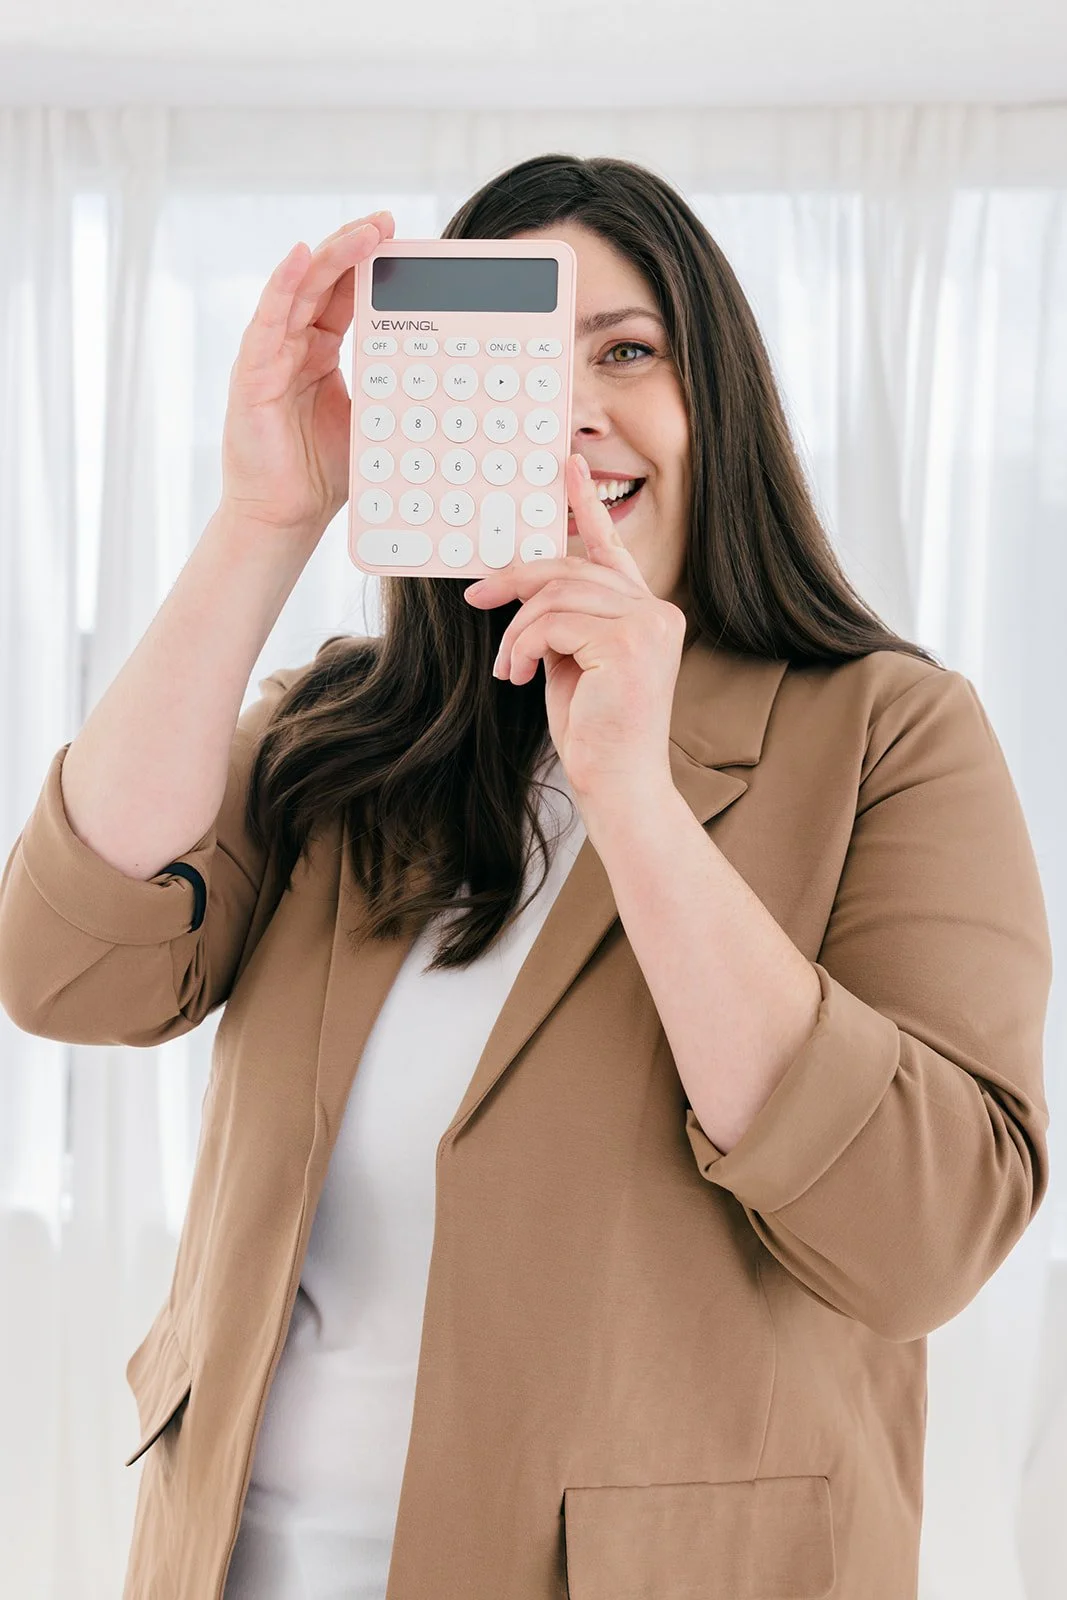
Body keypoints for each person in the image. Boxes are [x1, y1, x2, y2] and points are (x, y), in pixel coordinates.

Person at [0, 154, 1052, 1600]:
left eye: (626, 351)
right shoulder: (344, 732)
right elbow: (70, 968)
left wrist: (632, 791)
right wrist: (263, 518)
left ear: (714, 404)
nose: (566, 409)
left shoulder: (886, 731)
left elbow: (920, 1237)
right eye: (508, 361)